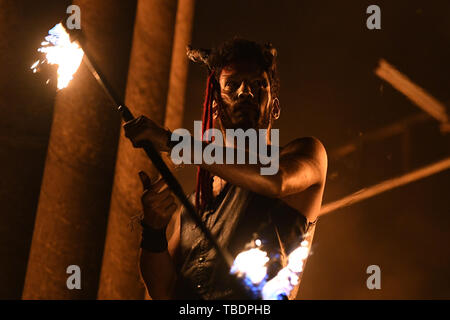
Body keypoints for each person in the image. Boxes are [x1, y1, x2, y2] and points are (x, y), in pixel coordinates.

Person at [123, 38, 327, 300]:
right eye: (232, 85)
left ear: (274, 107)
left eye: (258, 84)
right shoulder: (195, 203)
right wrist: (153, 231)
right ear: (216, 107)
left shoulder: (305, 154)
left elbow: (274, 181)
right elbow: (162, 291)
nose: (246, 92)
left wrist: (170, 141)